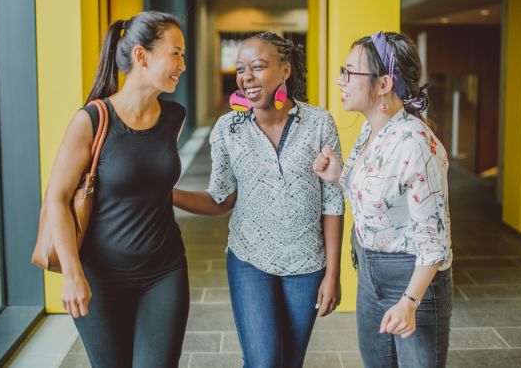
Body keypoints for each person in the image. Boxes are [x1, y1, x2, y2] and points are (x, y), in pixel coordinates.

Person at [173, 32, 344, 368]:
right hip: (249, 258)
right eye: (241, 69)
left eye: (258, 67)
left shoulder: (319, 123)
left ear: (285, 70)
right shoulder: (228, 129)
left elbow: (333, 201)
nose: (246, 77)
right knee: (263, 361)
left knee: (289, 362)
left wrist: (333, 274)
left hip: (307, 264)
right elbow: (221, 199)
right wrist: (168, 194)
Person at [42, 11, 189, 367]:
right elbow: (57, 199)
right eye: (176, 53)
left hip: (164, 273)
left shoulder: (175, 117)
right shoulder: (92, 120)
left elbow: (152, 188)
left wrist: (220, 201)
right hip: (99, 278)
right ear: (141, 56)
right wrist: (73, 275)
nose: (183, 65)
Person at [313, 31, 453, 368]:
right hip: (371, 272)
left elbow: (434, 242)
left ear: (384, 84)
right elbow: (383, 200)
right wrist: (340, 177)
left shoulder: (415, 143)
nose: (340, 80)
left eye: (349, 73)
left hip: (414, 281)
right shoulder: (371, 128)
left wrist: (409, 301)